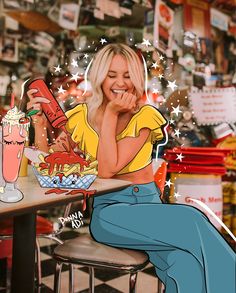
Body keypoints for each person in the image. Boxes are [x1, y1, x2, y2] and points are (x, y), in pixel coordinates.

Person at [27, 43, 235, 293]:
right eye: (112, 75)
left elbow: (108, 166)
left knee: (185, 264)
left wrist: (112, 114)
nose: (120, 82)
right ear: (99, 76)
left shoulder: (145, 116)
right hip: (110, 213)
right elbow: (53, 162)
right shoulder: (80, 117)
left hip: (149, 206)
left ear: (137, 78)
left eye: (127, 75)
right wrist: (39, 124)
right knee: (192, 219)